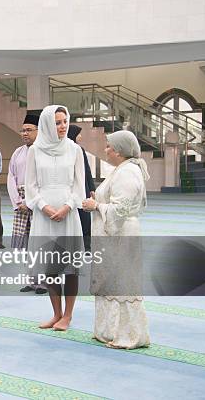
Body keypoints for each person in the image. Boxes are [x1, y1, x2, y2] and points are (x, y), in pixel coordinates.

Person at [82, 130, 150, 349]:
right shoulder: (121, 170)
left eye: (109, 146)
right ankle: (110, 331)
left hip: (121, 236)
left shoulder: (127, 172)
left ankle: (128, 335)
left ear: (119, 151)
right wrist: (99, 200)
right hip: (115, 235)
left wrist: (97, 206)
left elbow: (121, 209)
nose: (106, 149)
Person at [25, 105, 85, 331]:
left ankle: (68, 316)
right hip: (44, 214)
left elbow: (79, 185)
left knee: (70, 268)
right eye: (57, 122)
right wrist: (44, 207)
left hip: (68, 214)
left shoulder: (74, 149)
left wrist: (68, 206)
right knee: (50, 267)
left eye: (65, 121)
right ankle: (56, 314)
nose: (62, 126)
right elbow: (30, 186)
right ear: (48, 124)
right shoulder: (35, 150)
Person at [7, 113, 47, 295]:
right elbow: (11, 177)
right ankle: (31, 280)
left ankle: (44, 282)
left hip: (39, 203)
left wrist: (30, 202)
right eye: (23, 130)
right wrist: (18, 201)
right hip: (21, 203)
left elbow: (45, 182)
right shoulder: (18, 152)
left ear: (39, 131)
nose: (25, 133)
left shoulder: (45, 151)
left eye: (29, 130)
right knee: (25, 245)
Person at [67, 125, 96, 251]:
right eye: (79, 134)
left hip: (82, 188)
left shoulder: (80, 150)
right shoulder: (64, 150)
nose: (81, 137)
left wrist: (91, 188)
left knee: (85, 218)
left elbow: (86, 171)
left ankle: (87, 247)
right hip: (69, 190)